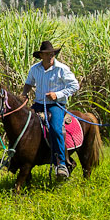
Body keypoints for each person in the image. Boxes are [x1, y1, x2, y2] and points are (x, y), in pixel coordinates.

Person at [22, 40, 80, 179]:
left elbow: (75, 85)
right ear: (41, 55)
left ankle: (61, 163)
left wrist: (57, 94)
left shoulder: (62, 69)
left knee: (55, 128)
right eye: (47, 54)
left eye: (52, 54)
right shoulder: (35, 69)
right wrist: (24, 93)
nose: (50, 56)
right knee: (23, 125)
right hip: (38, 104)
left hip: (56, 105)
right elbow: (29, 82)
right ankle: (17, 158)